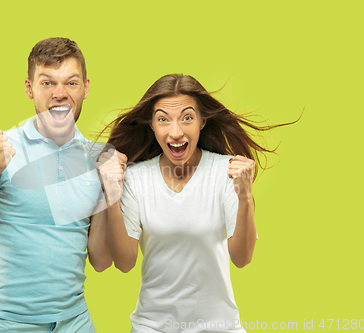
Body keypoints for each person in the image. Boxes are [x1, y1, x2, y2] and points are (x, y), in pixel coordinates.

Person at [97, 74, 292, 333]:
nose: (175, 132)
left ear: (202, 121)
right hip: (153, 328)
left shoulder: (227, 172)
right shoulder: (136, 178)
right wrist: (112, 198)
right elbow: (124, 263)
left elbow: (242, 258)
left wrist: (245, 196)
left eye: (187, 118)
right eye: (163, 119)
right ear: (152, 126)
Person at [0, 37, 112, 333]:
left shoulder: (98, 159)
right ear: (29, 88)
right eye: (47, 83)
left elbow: (101, 261)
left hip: (75, 323)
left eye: (71, 83)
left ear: (86, 87)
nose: (60, 94)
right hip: (8, 325)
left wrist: (109, 192)